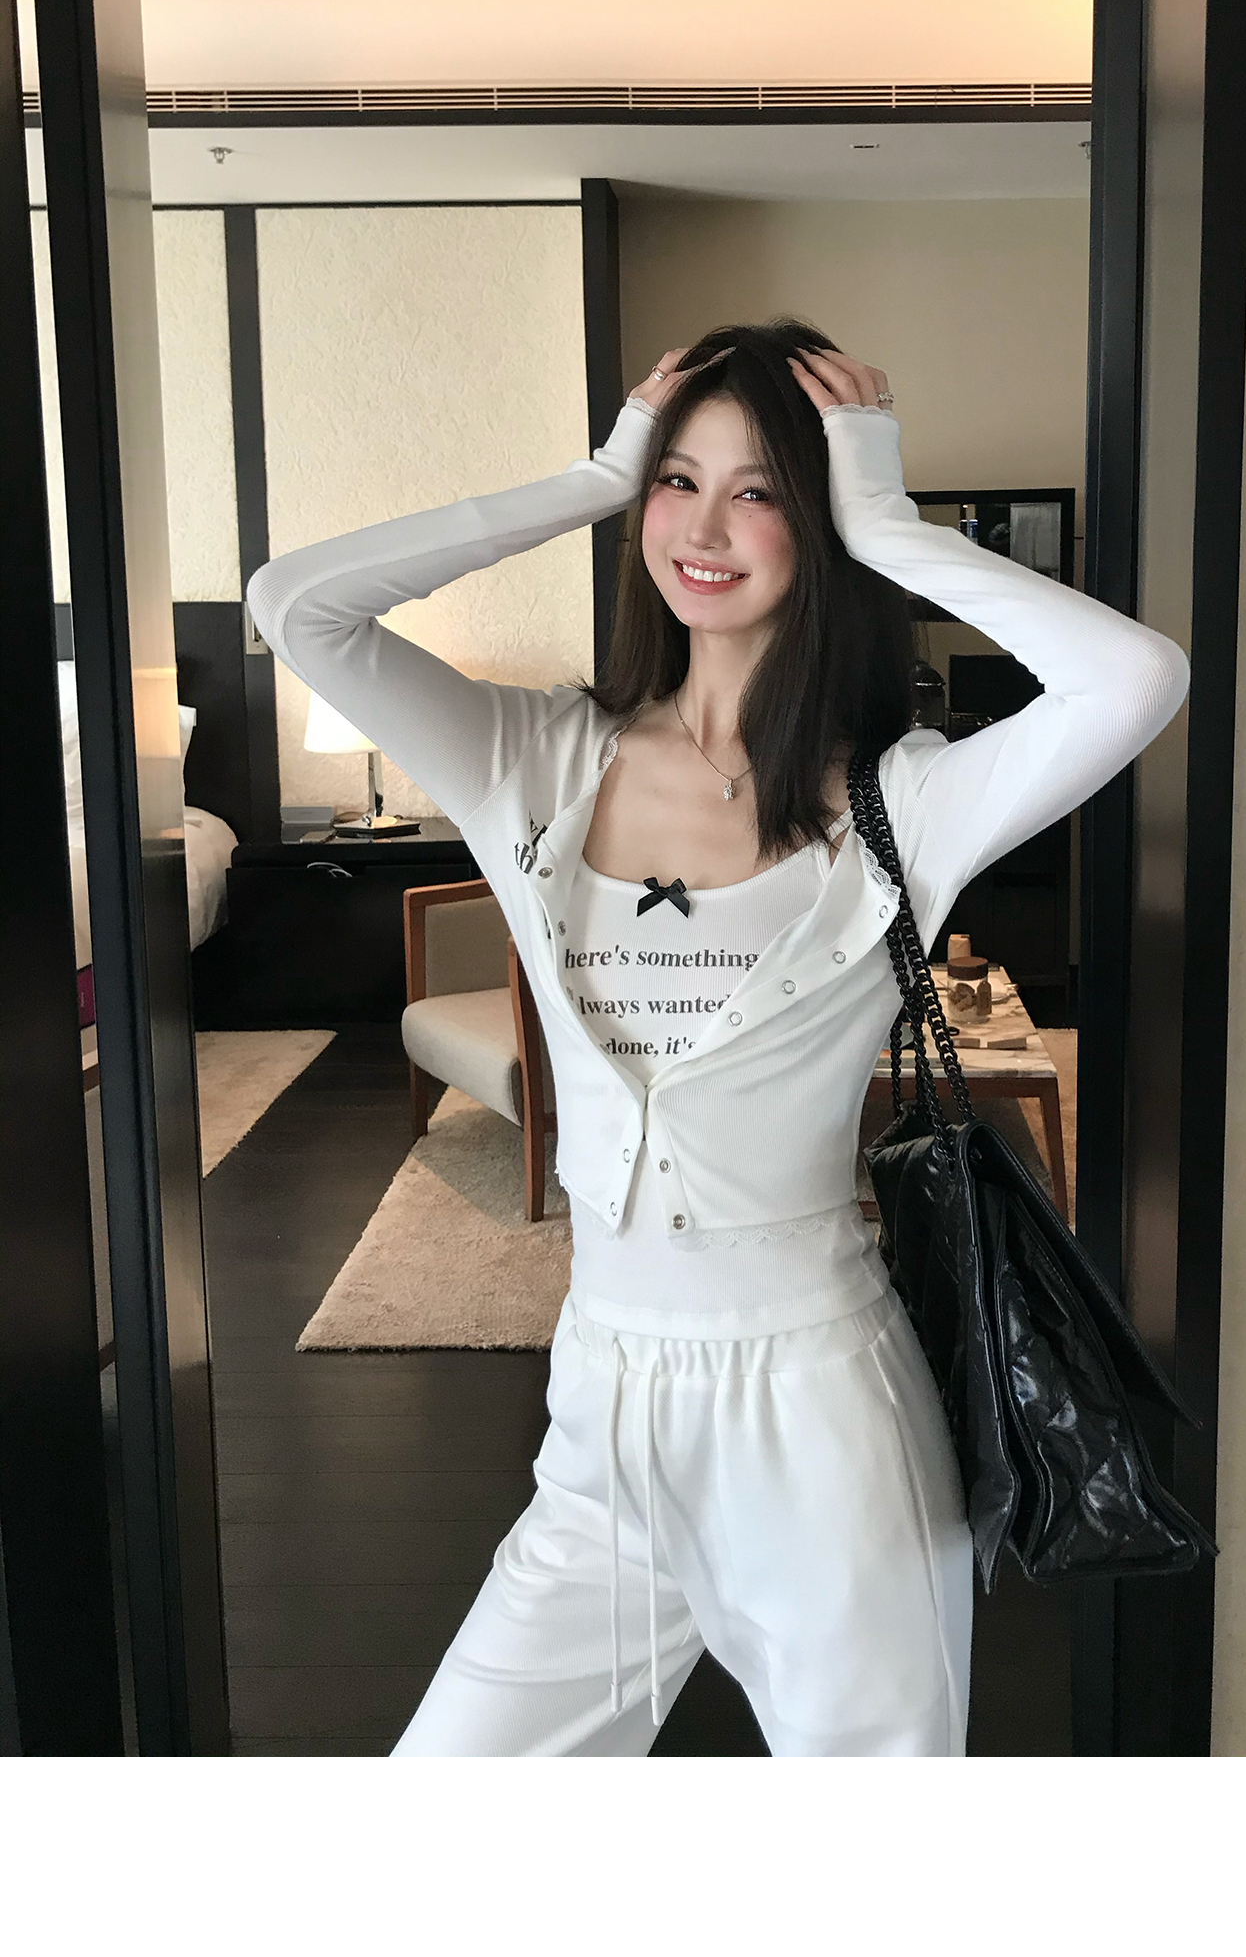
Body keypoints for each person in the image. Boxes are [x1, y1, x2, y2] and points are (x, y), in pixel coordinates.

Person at [246, 319, 1189, 1757]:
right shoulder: (532, 760)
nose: (702, 528)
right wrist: (594, 474)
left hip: (818, 1417)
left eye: (760, 492)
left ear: (818, 519)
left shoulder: (903, 803)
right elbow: (296, 605)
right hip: (602, 1406)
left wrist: (887, 519)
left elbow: (1135, 681)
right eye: (678, 483)